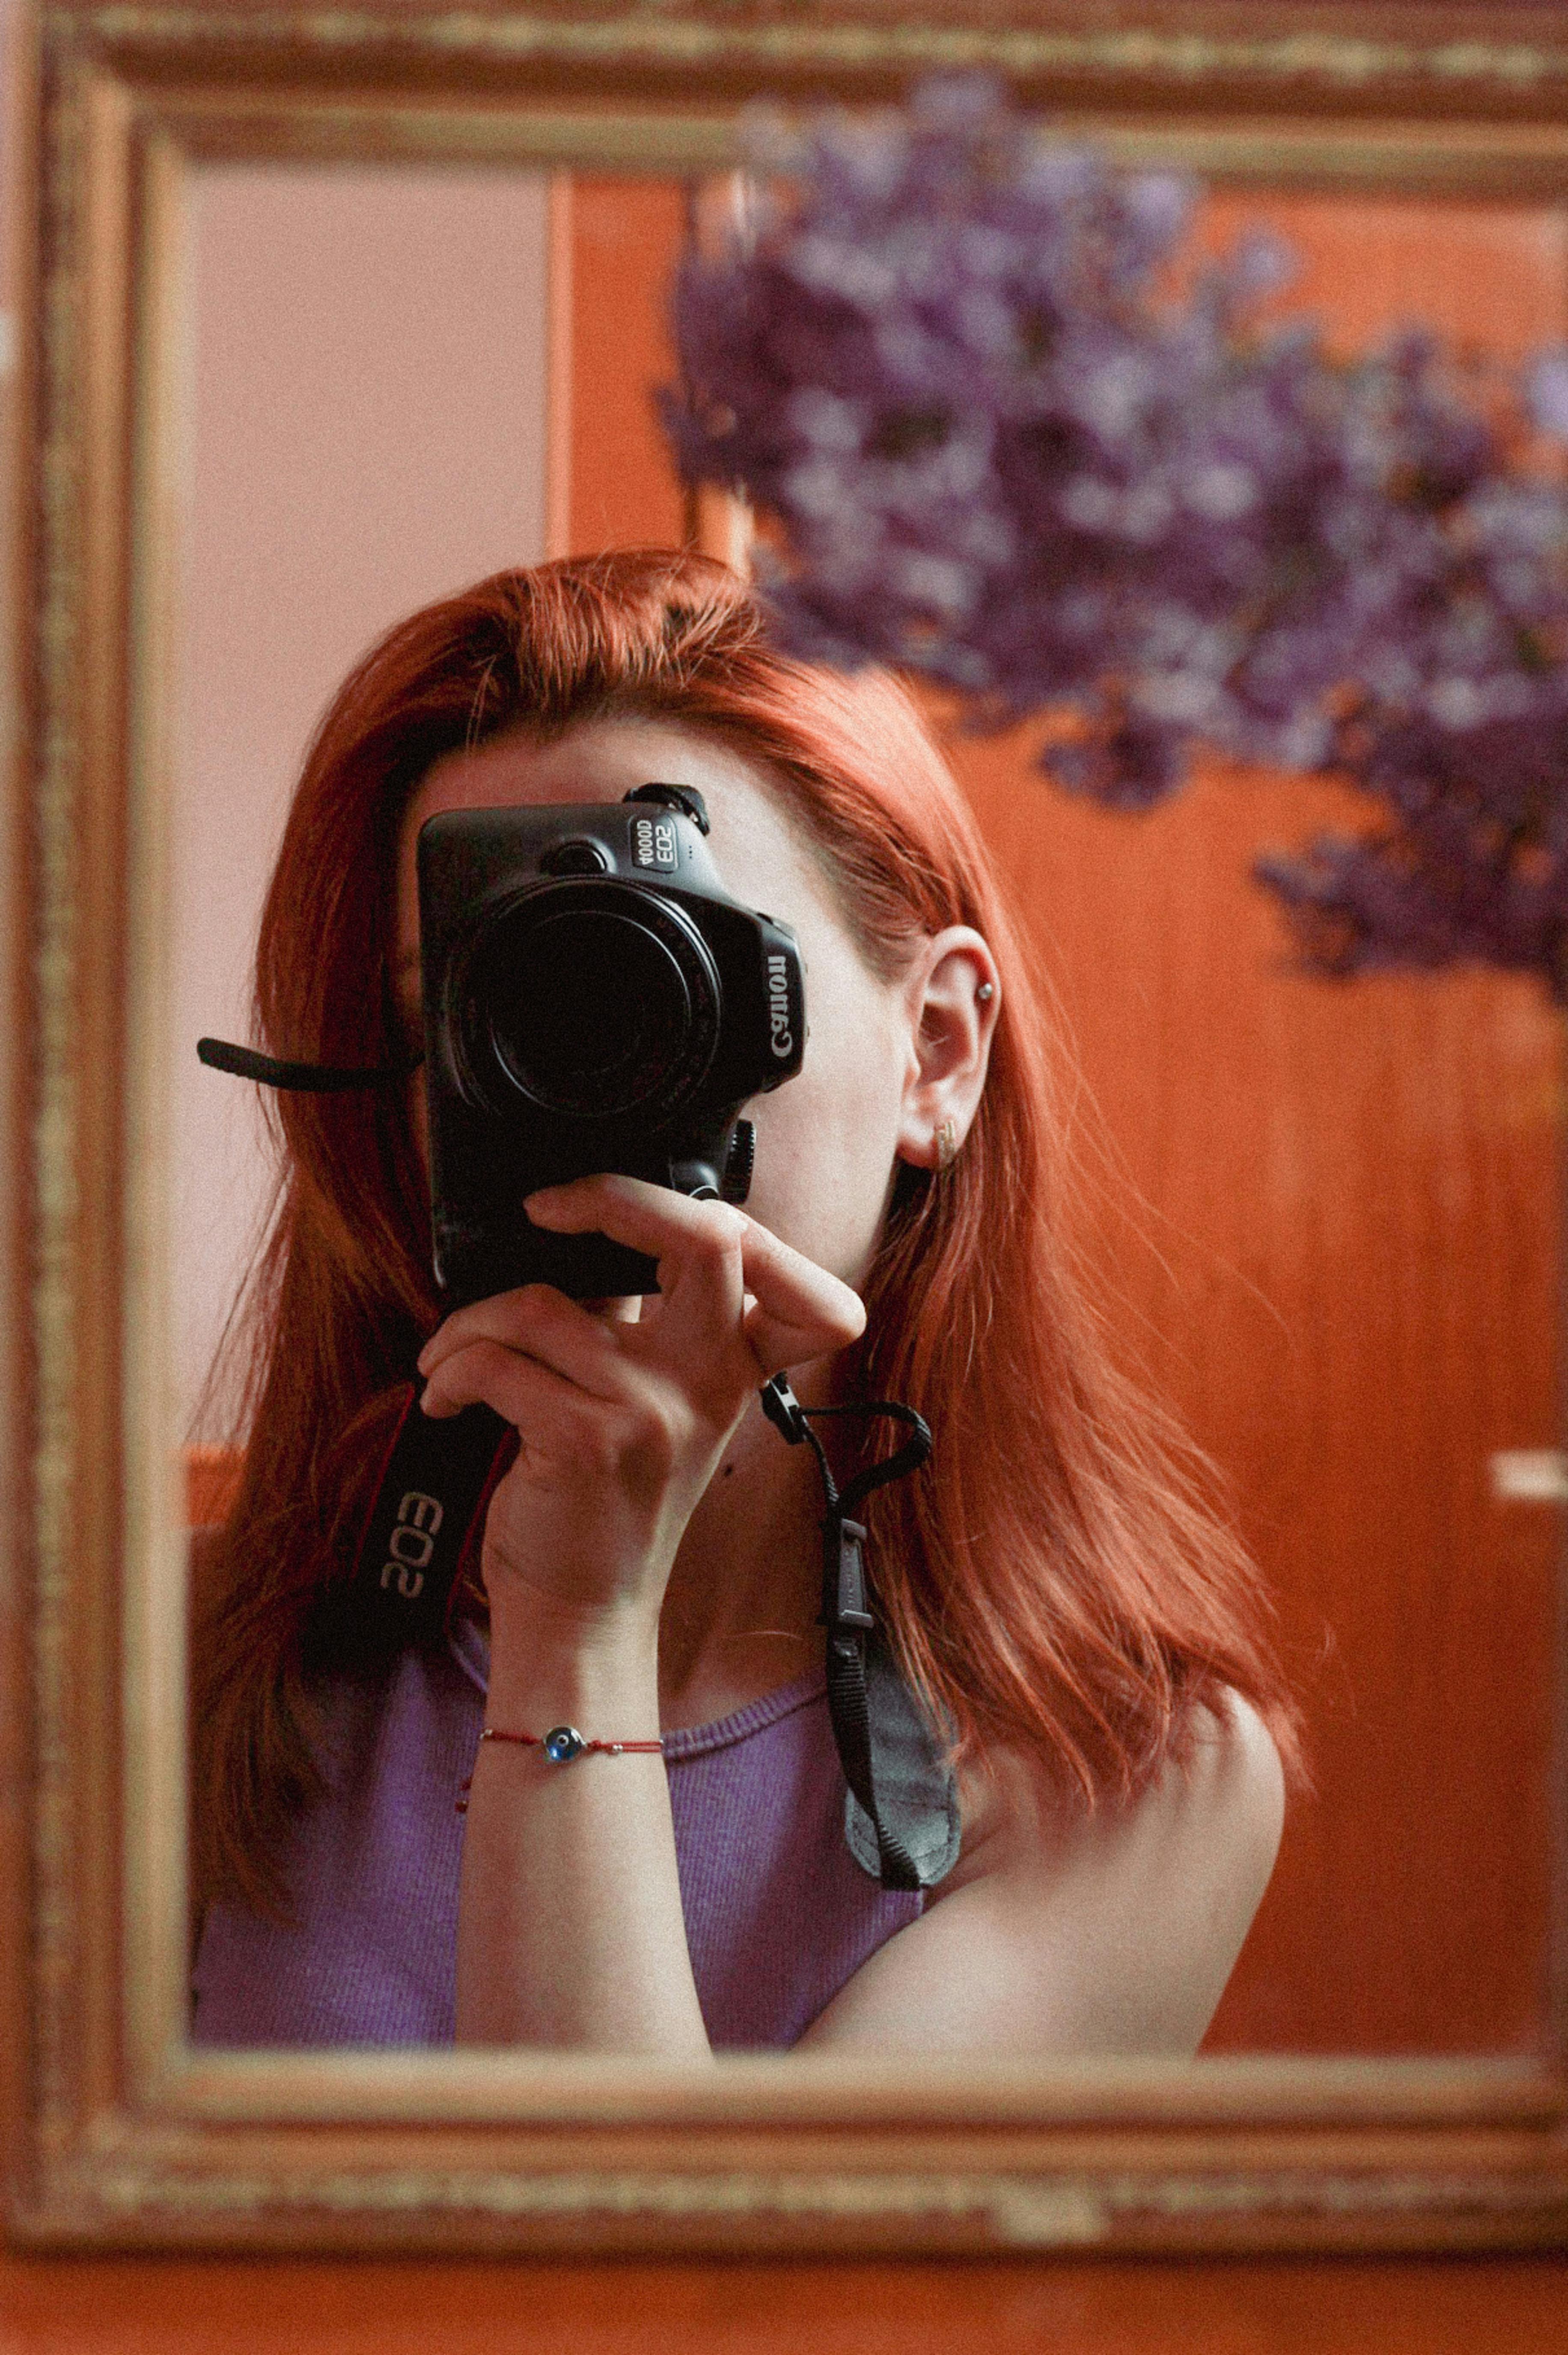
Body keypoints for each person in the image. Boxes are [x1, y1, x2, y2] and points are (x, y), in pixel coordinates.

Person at [189, 548, 1296, 2057]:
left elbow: (657, 2295)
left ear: (939, 1052)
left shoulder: (1131, 1781)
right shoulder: (161, 1669)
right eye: (485, 1004)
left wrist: (578, 1630)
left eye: (666, 978)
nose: (589, 1077)